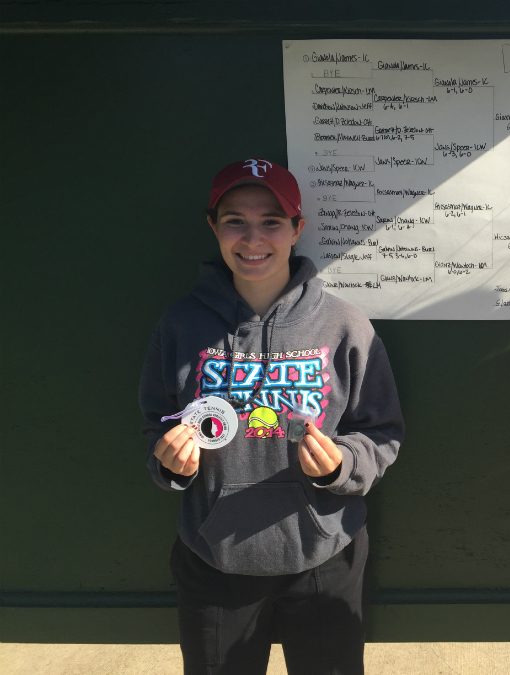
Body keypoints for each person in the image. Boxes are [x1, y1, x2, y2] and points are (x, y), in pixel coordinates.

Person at [139, 158, 404, 674]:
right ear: (213, 227)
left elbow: (381, 432)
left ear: (297, 230)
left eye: (271, 221)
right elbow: (156, 425)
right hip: (214, 558)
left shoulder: (344, 324)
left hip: (326, 552)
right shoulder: (180, 325)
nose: (253, 237)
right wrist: (170, 462)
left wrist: (342, 465)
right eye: (235, 219)